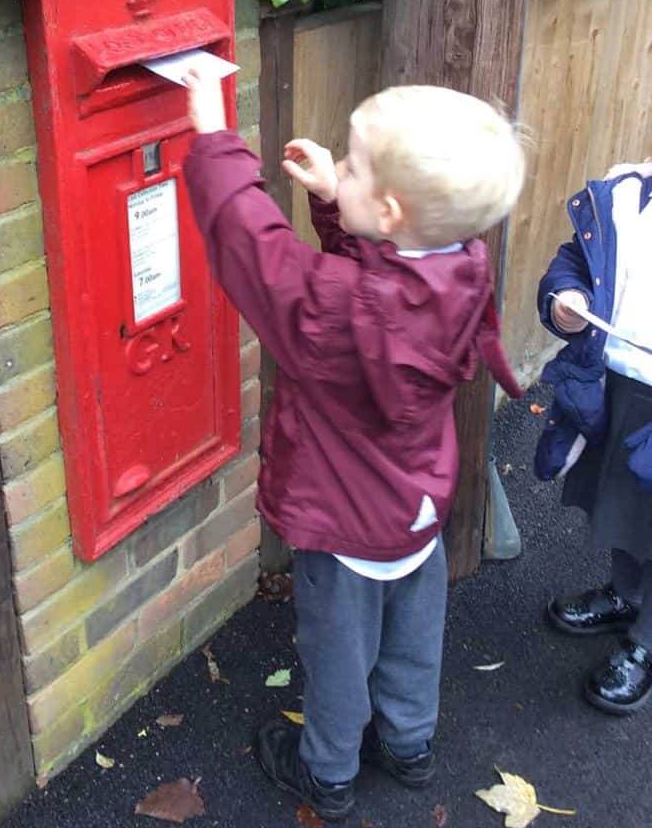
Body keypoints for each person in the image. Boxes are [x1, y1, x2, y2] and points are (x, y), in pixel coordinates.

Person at [182, 71, 525, 821]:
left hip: (345, 524)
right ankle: (410, 745)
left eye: (356, 167)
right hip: (416, 508)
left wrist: (213, 140)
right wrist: (337, 202)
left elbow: (260, 259)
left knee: (338, 657)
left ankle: (328, 773)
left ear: (394, 209)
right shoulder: (462, 264)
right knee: (412, 636)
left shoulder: (339, 310)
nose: (345, 170)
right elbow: (383, 278)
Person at [536, 158, 652, 715]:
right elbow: (575, 263)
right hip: (618, 387)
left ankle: (646, 643)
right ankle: (627, 595)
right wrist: (566, 302)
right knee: (623, 510)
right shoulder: (624, 195)